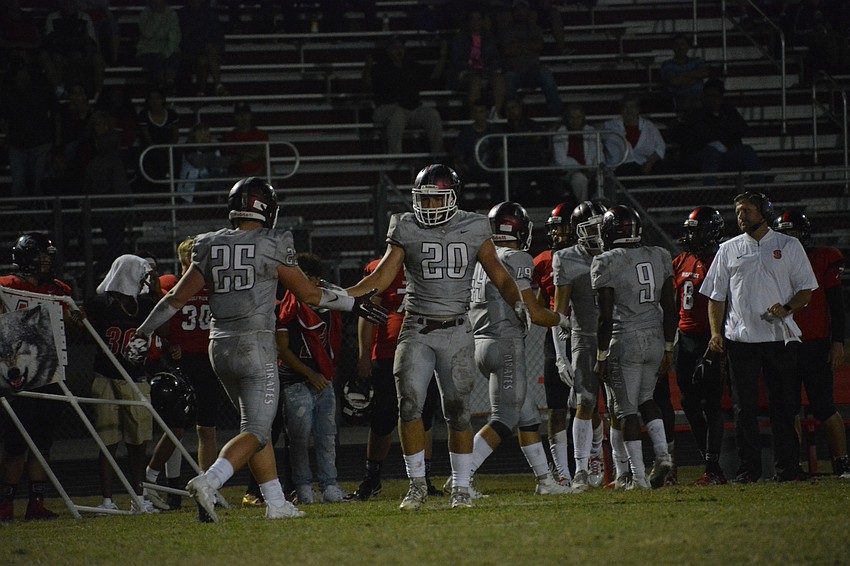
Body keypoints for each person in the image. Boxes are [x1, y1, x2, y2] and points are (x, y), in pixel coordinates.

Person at [123, 177, 387, 522]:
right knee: (256, 430)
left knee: (254, 427)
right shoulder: (273, 241)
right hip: (255, 345)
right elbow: (309, 294)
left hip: (219, 347)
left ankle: (276, 502)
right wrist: (353, 304)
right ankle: (210, 480)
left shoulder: (208, 243)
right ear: (268, 210)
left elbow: (175, 298)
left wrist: (143, 333)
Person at [344, 164, 529, 511]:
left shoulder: (474, 225)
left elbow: (499, 274)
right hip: (416, 327)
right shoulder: (405, 225)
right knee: (409, 404)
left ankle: (461, 487)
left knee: (458, 412)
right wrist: (344, 295)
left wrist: (517, 301)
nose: (427, 205)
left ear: (452, 198)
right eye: (423, 198)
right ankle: (416, 485)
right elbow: (383, 275)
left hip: (458, 328)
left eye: (434, 198)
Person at [700, 192, 818, 483]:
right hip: (741, 340)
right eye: (738, 212)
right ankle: (748, 470)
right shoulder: (728, 249)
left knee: (784, 407)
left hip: (780, 338)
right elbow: (716, 296)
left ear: (764, 212)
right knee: (744, 410)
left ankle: (787, 469)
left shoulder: (789, 246)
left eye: (747, 211)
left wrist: (788, 308)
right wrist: (716, 333)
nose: (741, 217)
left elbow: (806, 290)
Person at [468, 201, 575, 496]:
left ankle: (545, 481)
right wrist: (563, 320)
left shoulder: (481, 257)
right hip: (505, 345)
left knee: (529, 417)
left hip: (481, 343)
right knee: (504, 419)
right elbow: (536, 313)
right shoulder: (517, 257)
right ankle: (461, 478)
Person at [591, 205, 677, 490]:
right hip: (654, 335)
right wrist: (667, 347)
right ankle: (663, 454)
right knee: (647, 400)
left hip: (624, 338)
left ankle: (638, 477)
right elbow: (670, 308)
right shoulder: (660, 255)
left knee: (626, 411)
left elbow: (605, 317)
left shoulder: (607, 261)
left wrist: (601, 355)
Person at [349, 261, 443, 501]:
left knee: (425, 416)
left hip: (425, 349)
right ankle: (372, 478)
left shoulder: (429, 262)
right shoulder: (381, 268)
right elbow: (368, 313)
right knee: (384, 417)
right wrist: (364, 354)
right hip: (388, 353)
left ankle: (424, 479)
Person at [143, 237, 223, 511]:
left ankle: (208, 487)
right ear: (187, 259)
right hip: (181, 362)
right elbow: (162, 320)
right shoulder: (171, 283)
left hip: (209, 359)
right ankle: (155, 481)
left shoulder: (215, 283)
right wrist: (168, 345)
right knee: (175, 426)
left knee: (207, 428)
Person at [0, 234, 72, 521]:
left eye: (48, 256)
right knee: (15, 444)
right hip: (16, 373)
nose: (46, 261)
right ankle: (5, 504)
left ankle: (36, 502)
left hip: (47, 370)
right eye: (41, 255)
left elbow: (70, 328)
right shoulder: (5, 287)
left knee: (42, 444)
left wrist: (74, 317)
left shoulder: (58, 290)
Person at [772, 210, 849, 478]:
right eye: (784, 234)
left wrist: (837, 341)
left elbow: (837, 306)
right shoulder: (772, 260)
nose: (789, 240)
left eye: (793, 233)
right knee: (788, 407)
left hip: (815, 343)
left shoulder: (821, 258)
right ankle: (793, 464)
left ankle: (842, 463)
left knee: (824, 407)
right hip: (783, 342)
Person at [86, 254, 161, 514]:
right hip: (106, 377)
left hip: (136, 378)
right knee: (108, 441)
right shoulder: (100, 304)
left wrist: (158, 292)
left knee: (138, 442)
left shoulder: (148, 303)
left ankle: (138, 497)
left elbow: (166, 330)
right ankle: (107, 499)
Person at [277, 253, 348, 505]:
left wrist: (323, 374)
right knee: (298, 436)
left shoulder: (329, 302)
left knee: (327, 435)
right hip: (297, 379)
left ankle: (329, 485)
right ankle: (303, 487)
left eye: (308, 277)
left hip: (323, 379)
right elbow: (282, 349)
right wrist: (311, 374)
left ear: (317, 279)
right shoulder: (285, 305)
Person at [552, 200, 609, 490]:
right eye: (592, 227)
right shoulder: (566, 258)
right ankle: (581, 469)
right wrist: (561, 357)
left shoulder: (619, 252)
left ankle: (619, 466)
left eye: (602, 225)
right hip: (584, 337)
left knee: (618, 405)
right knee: (584, 401)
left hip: (617, 335)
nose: (598, 232)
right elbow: (558, 314)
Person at [672, 206, 728, 486]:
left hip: (711, 338)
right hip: (685, 338)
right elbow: (675, 303)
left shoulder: (722, 259)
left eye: (697, 231)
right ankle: (707, 459)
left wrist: (718, 340)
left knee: (711, 403)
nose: (691, 237)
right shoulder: (681, 259)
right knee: (687, 401)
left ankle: (714, 465)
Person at [532, 202, 575, 485]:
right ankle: (561, 469)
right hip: (557, 336)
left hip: (585, 333)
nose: (556, 234)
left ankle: (591, 463)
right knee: (557, 407)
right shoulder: (544, 260)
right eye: (553, 229)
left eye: (560, 228)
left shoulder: (590, 256)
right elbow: (538, 308)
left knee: (588, 405)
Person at [362, 35, 446, 156]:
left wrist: (443, 56)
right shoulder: (380, 67)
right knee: (397, 114)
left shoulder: (411, 66)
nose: (398, 50)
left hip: (412, 108)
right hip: (385, 108)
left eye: (401, 47)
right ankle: (395, 157)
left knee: (432, 114)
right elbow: (367, 84)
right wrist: (367, 68)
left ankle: (438, 155)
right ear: (388, 50)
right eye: (395, 47)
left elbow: (433, 76)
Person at [682, 78, 763, 186]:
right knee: (711, 152)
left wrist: (723, 139)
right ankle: (710, 193)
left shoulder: (729, 111)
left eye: (716, 96)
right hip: (704, 157)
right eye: (709, 96)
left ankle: (760, 188)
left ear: (721, 97)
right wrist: (719, 138)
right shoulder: (697, 115)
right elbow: (697, 137)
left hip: (727, 154)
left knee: (747, 150)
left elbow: (742, 129)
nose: (713, 100)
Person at [0, 61, 58, 198]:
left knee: (40, 186)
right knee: (18, 186)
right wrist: (9, 138)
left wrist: (57, 140)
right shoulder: (7, 91)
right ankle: (22, 217)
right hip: (17, 145)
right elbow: (4, 118)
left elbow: (56, 113)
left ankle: (39, 218)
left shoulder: (42, 87)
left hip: (41, 143)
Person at [496, 0, 563, 117]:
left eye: (523, 9)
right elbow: (507, 51)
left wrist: (519, 45)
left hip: (533, 71)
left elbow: (539, 46)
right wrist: (529, 45)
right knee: (508, 79)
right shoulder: (506, 30)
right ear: (512, 12)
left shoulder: (535, 28)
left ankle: (557, 112)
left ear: (528, 11)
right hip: (513, 71)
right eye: (517, 10)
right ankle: (509, 115)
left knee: (546, 75)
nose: (520, 12)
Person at [447, 8, 505, 118]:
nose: (476, 22)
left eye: (479, 19)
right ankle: (474, 116)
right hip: (465, 72)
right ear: (468, 21)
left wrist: (488, 69)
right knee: (475, 80)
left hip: (486, 71)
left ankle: (495, 113)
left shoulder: (489, 38)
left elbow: (495, 59)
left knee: (499, 79)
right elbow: (457, 60)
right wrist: (474, 70)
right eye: (472, 19)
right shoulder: (460, 38)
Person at [602, 94, 666, 180]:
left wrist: (649, 163)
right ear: (621, 110)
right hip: (622, 166)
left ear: (638, 109)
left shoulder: (649, 126)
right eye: (626, 107)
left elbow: (660, 147)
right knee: (626, 170)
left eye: (632, 107)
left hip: (645, 164)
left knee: (661, 167)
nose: (629, 110)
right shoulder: (610, 126)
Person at [552, 103, 601, 204]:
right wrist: (582, 169)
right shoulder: (560, 134)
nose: (575, 121)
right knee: (580, 179)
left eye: (578, 117)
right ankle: (584, 207)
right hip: (570, 172)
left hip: (592, 170)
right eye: (572, 118)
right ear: (567, 119)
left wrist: (593, 169)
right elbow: (561, 161)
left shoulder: (591, 132)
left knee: (606, 176)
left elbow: (598, 153)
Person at [451, 98, 503, 192]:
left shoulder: (494, 131)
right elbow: (459, 155)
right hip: (470, 170)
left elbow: (501, 152)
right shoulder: (466, 133)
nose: (479, 115)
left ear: (487, 113)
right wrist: (462, 165)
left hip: (490, 169)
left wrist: (496, 166)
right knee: (456, 180)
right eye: (476, 112)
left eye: (481, 112)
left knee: (501, 179)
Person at [178, 0, 227, 97]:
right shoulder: (182, 14)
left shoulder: (210, 12)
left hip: (207, 50)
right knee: (209, 51)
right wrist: (203, 44)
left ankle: (201, 92)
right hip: (190, 50)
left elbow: (217, 33)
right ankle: (218, 85)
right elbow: (185, 36)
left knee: (203, 60)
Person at [137, 86, 180, 184]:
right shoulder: (143, 115)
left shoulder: (172, 114)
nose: (155, 101)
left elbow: (175, 136)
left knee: (176, 154)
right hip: (151, 148)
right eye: (151, 98)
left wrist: (167, 147)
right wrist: (156, 148)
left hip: (168, 147)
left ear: (163, 99)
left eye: (157, 98)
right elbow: (147, 138)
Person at [135, 0, 181, 91]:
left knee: (172, 59)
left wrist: (166, 52)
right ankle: (161, 86)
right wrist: (156, 16)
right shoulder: (145, 14)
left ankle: (169, 85)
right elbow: (147, 33)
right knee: (156, 61)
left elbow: (175, 36)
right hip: (148, 50)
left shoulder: (172, 14)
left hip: (169, 50)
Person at [659, 33, 711, 114]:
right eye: (677, 45)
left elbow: (705, 73)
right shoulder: (667, 64)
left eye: (682, 44)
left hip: (699, 97)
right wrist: (695, 78)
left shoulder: (697, 61)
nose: (680, 48)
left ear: (687, 47)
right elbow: (674, 81)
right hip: (679, 98)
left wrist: (681, 75)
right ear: (673, 47)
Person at [177, 121, 227, 203]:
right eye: (200, 135)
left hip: (211, 189)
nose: (204, 138)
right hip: (190, 190)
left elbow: (222, 163)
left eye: (206, 135)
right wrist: (213, 160)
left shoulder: (214, 149)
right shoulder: (188, 149)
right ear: (194, 137)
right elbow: (197, 162)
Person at [221, 102, 269, 178]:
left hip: (258, 176)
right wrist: (252, 155)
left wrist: (241, 155)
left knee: (270, 171)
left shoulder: (261, 135)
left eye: (245, 113)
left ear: (250, 115)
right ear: (235, 117)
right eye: (239, 114)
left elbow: (262, 153)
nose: (242, 117)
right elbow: (231, 159)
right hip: (236, 178)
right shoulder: (228, 137)